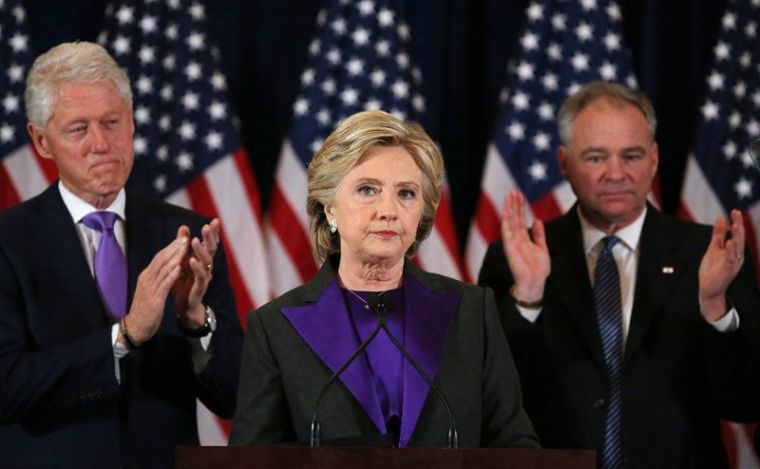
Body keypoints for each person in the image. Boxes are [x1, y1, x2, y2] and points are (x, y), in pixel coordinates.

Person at [478, 81, 760, 468]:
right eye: (596, 157)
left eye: (632, 155)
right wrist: (527, 296)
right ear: (564, 163)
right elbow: (485, 398)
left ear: (655, 159)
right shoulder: (517, 257)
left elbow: (745, 401)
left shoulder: (712, 255)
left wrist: (715, 307)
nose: (616, 173)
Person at [230, 110, 538, 448]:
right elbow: (251, 457)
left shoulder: (471, 312)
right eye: (367, 190)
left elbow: (515, 442)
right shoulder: (276, 327)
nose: (388, 210)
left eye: (406, 193)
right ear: (330, 206)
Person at [0, 42, 243, 467]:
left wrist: (195, 322)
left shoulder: (187, 235)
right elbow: (7, 386)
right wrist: (123, 336)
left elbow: (235, 396)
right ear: (40, 141)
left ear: (131, 124)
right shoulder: (8, 241)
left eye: (112, 122)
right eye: (78, 129)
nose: (101, 143)